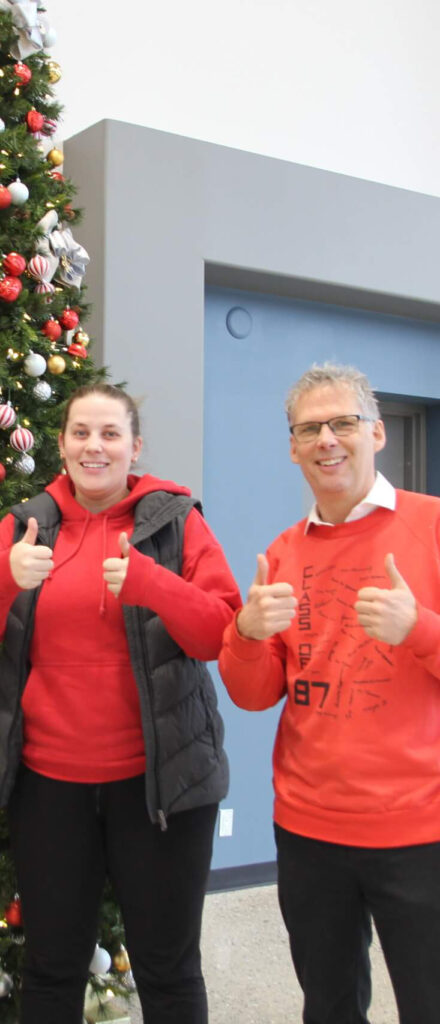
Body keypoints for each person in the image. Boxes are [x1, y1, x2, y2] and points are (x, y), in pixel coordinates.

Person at [0, 382, 240, 1024]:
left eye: (110, 434)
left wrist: (152, 584)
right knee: (51, 969)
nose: (94, 446)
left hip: (161, 788)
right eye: (81, 433)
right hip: (50, 789)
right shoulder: (29, 523)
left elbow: (220, 633)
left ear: (135, 447)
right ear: (61, 445)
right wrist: (5, 576)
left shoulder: (176, 519)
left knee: (168, 970)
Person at [218, 363, 440, 1024]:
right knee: (330, 1007)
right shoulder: (283, 552)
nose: (327, 440)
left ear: (377, 433)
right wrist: (248, 633)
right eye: (310, 428)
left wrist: (420, 629)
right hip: (311, 831)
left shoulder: (432, 527)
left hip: (419, 829)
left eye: (342, 422)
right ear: (292, 447)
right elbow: (253, 695)